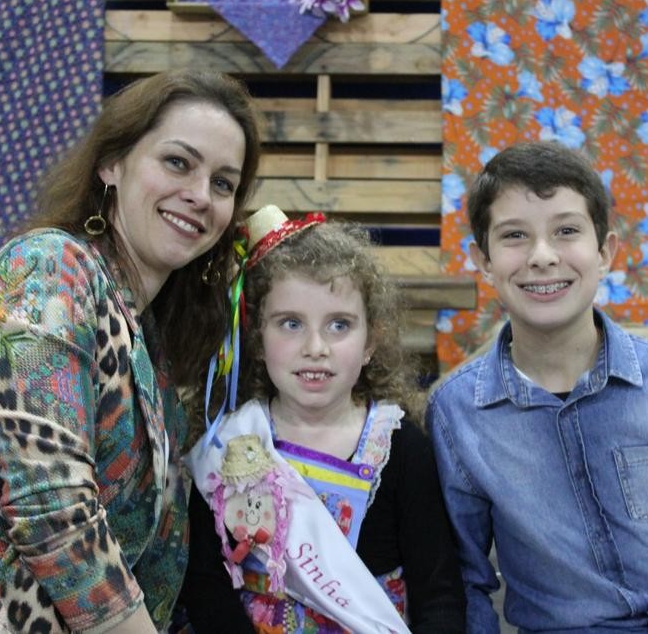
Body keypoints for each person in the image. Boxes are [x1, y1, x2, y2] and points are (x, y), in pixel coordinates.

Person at [0, 69, 262, 633]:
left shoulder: (150, 346)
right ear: (112, 164)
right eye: (178, 162)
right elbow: (52, 507)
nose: (200, 194)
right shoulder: (50, 268)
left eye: (223, 183)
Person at [425, 142, 648, 632]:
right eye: (514, 235)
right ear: (484, 261)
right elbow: (464, 581)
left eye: (566, 231)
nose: (542, 256)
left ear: (605, 252)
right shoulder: (457, 412)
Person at [178, 206, 465, 633]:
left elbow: (439, 594)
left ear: (371, 342)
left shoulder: (403, 450)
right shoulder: (229, 444)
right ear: (257, 340)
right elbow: (205, 584)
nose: (316, 347)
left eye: (339, 325)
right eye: (291, 323)